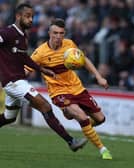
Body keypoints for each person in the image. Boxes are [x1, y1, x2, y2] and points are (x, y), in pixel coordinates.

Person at [0, 3, 87, 152]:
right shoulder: (8, 32)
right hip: (14, 82)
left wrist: (41, 69)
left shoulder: (23, 36)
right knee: (45, 106)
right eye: (27, 16)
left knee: (9, 117)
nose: (31, 19)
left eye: (32, 16)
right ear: (18, 16)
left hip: (17, 81)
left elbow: (24, 58)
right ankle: (71, 141)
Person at [29, 18, 112, 160]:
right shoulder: (40, 53)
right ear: (49, 33)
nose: (58, 36)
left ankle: (79, 122)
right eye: (55, 33)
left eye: (61, 33)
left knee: (100, 119)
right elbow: (25, 70)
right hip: (58, 92)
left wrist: (99, 77)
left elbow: (84, 59)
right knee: (82, 116)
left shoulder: (69, 44)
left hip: (77, 87)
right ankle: (103, 149)